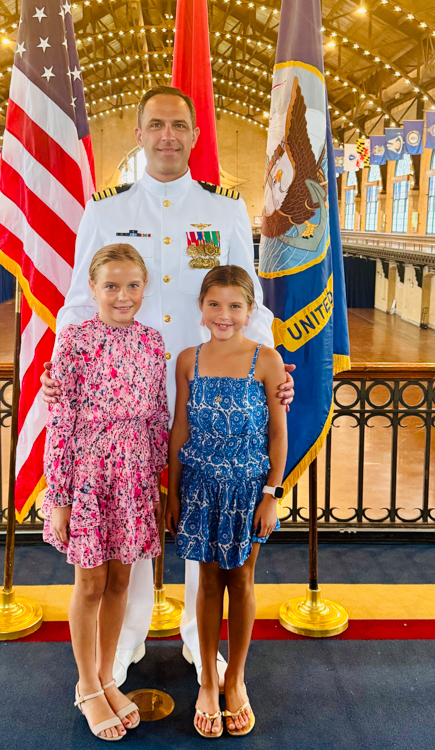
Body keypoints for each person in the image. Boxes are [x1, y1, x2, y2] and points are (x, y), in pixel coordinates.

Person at [40, 85, 295, 688]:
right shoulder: (104, 212)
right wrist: (58, 369)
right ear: (139, 134)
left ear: (195, 136)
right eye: (156, 124)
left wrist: (272, 368)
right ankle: (124, 640)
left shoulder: (225, 211)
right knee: (125, 516)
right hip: (122, 392)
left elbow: (249, 300)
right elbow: (79, 300)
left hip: (205, 385)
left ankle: (197, 640)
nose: (168, 136)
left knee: (203, 509)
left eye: (179, 125)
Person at [43, 244, 169, 741]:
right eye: (111, 285)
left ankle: (106, 676)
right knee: (90, 582)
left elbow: (158, 414)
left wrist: (156, 481)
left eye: (132, 285)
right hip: (89, 473)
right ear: (93, 289)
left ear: (145, 288)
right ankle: (86, 685)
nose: (123, 295)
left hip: (134, 474)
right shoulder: (74, 340)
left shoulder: (152, 341)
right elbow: (61, 420)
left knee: (121, 580)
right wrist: (59, 496)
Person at [166, 266, 287, 738]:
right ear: (201, 308)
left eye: (235, 306)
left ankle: (234, 679)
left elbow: (277, 434)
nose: (224, 314)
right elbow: (180, 428)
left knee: (241, 579)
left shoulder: (267, 360)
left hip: (248, 489)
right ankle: (206, 681)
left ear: (250, 311)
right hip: (199, 487)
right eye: (214, 304)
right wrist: (173, 493)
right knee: (207, 581)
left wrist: (271, 494)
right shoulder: (188, 360)